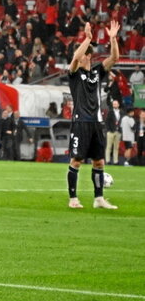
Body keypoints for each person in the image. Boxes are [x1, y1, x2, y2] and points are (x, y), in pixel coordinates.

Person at [66, 20, 119, 209]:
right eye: (89, 50)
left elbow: (114, 57)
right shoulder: (74, 74)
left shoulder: (97, 72)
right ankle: (73, 198)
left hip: (97, 122)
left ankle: (99, 199)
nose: (90, 53)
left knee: (99, 161)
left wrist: (113, 39)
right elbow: (74, 58)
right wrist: (86, 38)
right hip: (81, 122)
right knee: (77, 160)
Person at [104, 99, 123, 165]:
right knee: (109, 147)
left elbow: (121, 121)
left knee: (116, 147)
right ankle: (108, 160)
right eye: (113, 104)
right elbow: (107, 122)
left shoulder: (121, 112)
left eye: (115, 104)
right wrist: (108, 130)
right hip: (111, 131)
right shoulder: (110, 112)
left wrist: (120, 130)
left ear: (118, 104)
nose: (114, 105)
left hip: (118, 132)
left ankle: (115, 161)